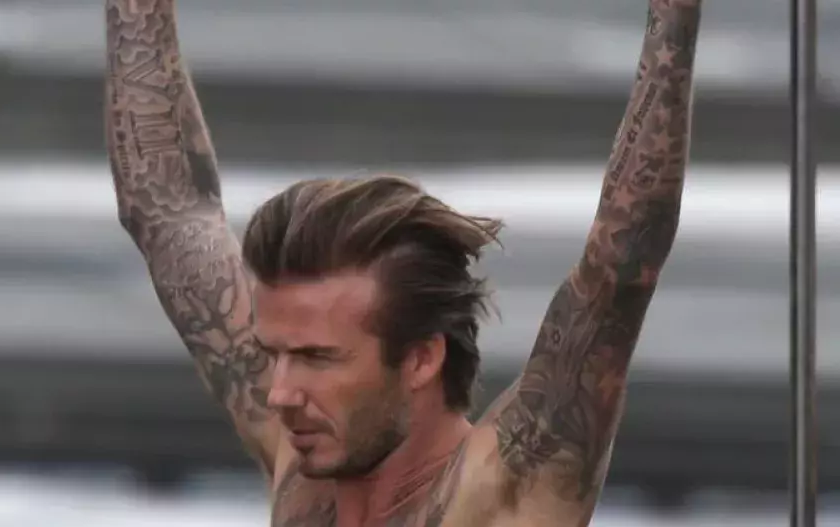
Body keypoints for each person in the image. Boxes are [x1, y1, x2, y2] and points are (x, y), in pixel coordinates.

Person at [103, 0, 702, 524]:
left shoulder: (501, 492)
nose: (279, 393)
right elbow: (166, 212)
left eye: (316, 358)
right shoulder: (305, 466)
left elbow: (620, 266)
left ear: (421, 359)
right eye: (275, 354)